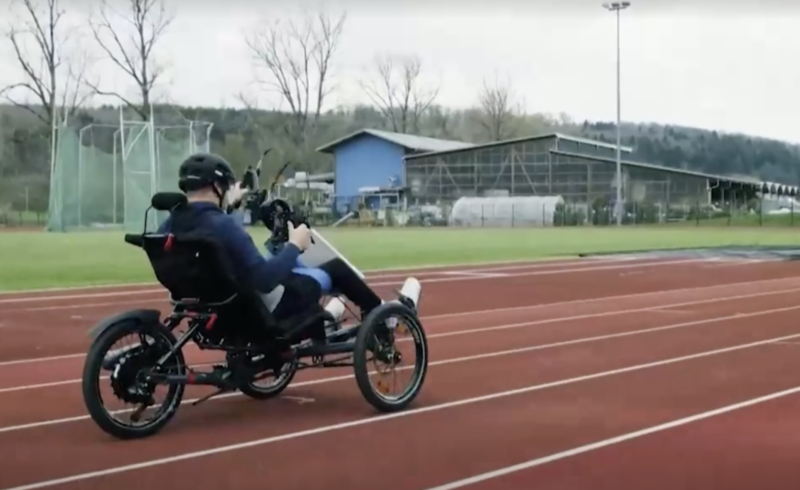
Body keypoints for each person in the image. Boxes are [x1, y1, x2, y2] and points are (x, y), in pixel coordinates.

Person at [157, 153, 383, 340]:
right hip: (261, 313)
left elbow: (209, 230)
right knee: (335, 268)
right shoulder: (224, 226)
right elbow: (265, 281)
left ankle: (333, 315)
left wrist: (230, 207)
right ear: (217, 186)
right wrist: (295, 244)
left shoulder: (170, 224)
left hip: (214, 315)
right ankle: (382, 316)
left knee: (290, 264)